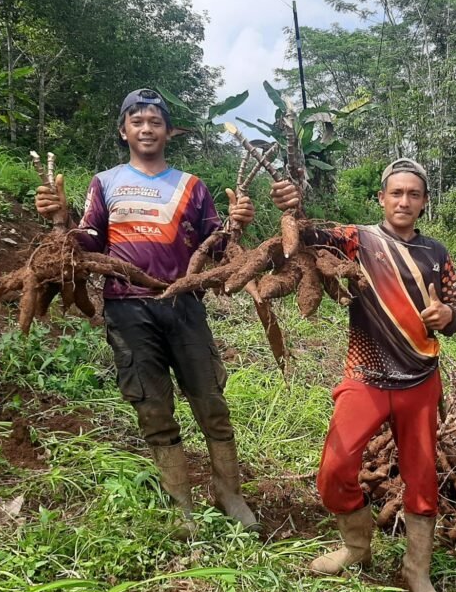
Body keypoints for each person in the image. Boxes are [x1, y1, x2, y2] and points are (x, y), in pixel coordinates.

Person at [35, 88, 279, 537]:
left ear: (169, 131)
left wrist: (238, 222)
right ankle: (181, 506)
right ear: (123, 130)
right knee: (152, 408)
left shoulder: (191, 186)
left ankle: (230, 494)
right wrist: (60, 219)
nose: (146, 128)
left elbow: (218, 243)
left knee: (211, 403)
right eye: (137, 121)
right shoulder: (105, 182)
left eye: (155, 121)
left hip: (182, 302)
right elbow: (89, 239)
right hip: (127, 309)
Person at [272, 158, 456, 592]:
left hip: (420, 379)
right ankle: (356, 548)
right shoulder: (357, 240)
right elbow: (307, 236)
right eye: (396, 193)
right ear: (381, 198)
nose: (404, 201)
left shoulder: (436, 253)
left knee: (421, 479)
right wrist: (291, 206)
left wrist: (447, 316)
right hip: (366, 376)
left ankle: (417, 572)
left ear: (424, 202)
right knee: (334, 469)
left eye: (413, 194)